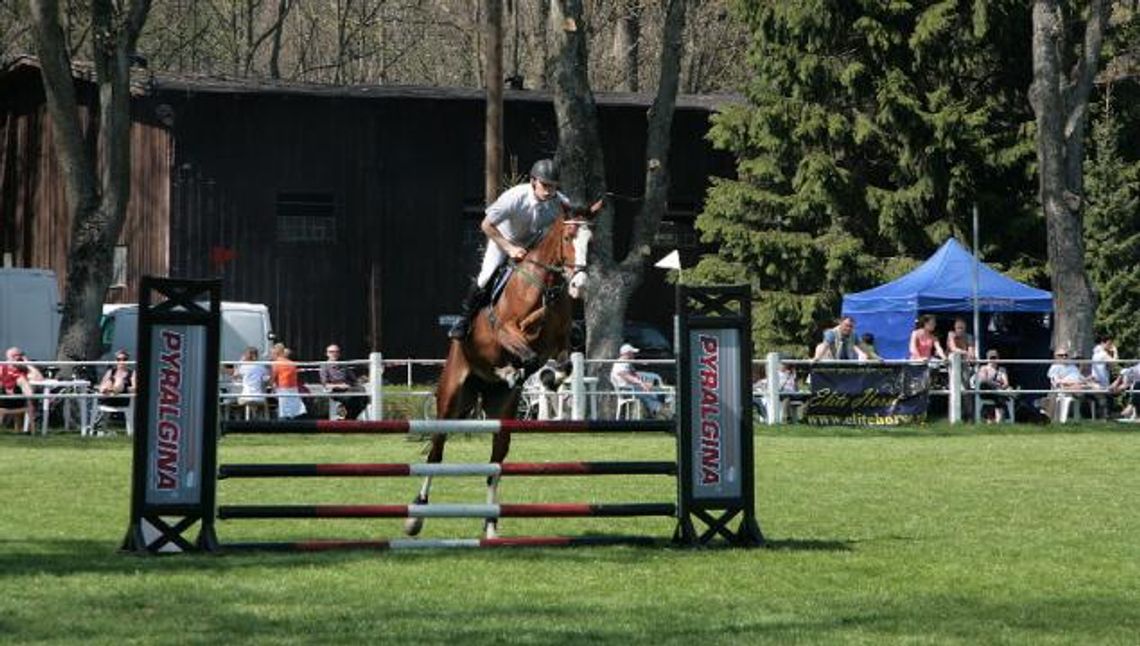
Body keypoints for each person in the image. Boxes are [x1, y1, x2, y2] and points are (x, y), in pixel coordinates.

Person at [448, 159, 571, 339]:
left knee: (558, 277)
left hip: (533, 246)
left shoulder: (560, 202)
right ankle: (464, 320)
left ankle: (569, 324)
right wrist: (510, 248)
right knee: (486, 276)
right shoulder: (514, 197)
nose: (548, 191)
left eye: (553, 186)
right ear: (533, 181)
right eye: (544, 185)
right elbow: (486, 225)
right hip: (503, 240)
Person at [610, 343, 664, 418]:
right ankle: (659, 412)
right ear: (628, 353)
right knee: (648, 394)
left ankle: (658, 410)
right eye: (632, 353)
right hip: (625, 390)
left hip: (630, 388)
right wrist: (641, 384)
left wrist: (645, 383)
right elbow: (626, 376)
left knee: (656, 391)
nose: (634, 355)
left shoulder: (627, 363)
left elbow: (634, 374)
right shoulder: (620, 364)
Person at [320, 343, 366, 420]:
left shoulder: (343, 365)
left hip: (349, 389)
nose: (334, 354)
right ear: (327, 354)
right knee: (354, 397)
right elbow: (325, 384)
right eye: (331, 352)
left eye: (336, 352)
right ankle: (349, 418)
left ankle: (348, 418)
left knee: (364, 397)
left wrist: (361, 380)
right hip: (335, 391)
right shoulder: (324, 366)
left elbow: (354, 379)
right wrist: (340, 386)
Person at [1, 346, 35, 432]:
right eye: (15, 355)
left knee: (21, 381)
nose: (18, 357)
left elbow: (39, 379)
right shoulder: (2, 368)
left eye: (20, 355)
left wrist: (28, 364)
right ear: (9, 357)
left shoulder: (24, 370)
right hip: (3, 400)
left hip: (19, 400)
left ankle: (24, 429)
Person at [270, 343, 307, 420]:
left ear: (275, 354)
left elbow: (273, 377)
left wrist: (270, 384)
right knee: (294, 407)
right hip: (293, 388)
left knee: (283, 408)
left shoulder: (277, 363)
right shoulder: (292, 363)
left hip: (283, 388)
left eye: (272, 354)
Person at [975, 349, 1012, 422]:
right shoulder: (984, 368)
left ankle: (998, 421)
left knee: (1000, 397)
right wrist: (996, 385)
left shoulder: (1002, 369)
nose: (993, 360)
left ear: (998, 358)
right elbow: (983, 380)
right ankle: (999, 419)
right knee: (988, 386)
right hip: (987, 391)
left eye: (994, 358)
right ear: (987, 358)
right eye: (991, 358)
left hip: (999, 391)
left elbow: (1006, 383)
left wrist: (1001, 387)